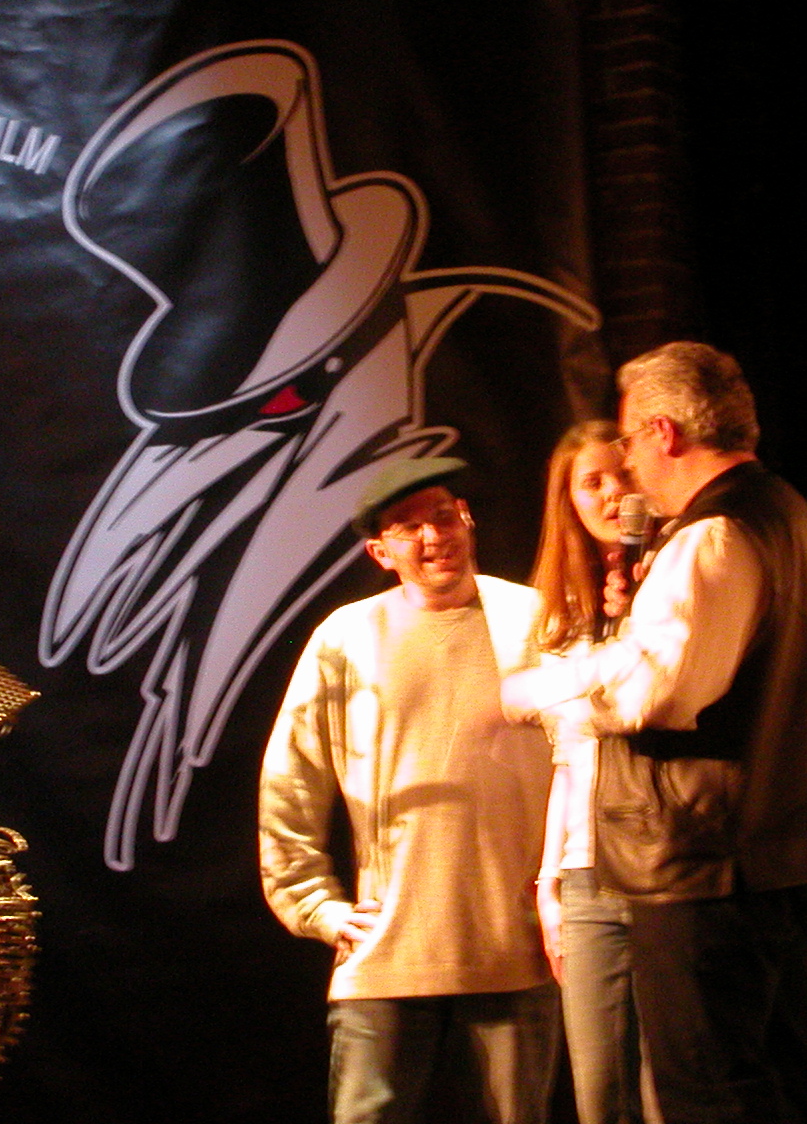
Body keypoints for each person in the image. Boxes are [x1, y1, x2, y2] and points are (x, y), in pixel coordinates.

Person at [503, 342, 807, 1124]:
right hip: (797, 853)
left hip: (713, 864)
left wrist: (542, 691)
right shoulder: (801, 523)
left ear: (664, 432)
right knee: (791, 1083)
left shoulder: (711, 536)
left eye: (628, 441)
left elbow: (656, 695)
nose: (627, 464)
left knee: (706, 1090)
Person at [259, 456, 560, 1124]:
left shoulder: (530, 619)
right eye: (408, 526)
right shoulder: (347, 638)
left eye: (443, 516)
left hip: (515, 948)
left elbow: (585, 756)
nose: (433, 536)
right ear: (380, 551)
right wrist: (314, 904)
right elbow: (290, 780)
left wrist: (565, 889)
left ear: (467, 519)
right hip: (388, 952)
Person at [527, 421, 663, 1124]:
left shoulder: (669, 580)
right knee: (599, 1095)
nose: (612, 494)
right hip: (584, 877)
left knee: (668, 1090)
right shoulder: (560, 622)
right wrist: (548, 884)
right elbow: (566, 760)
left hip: (663, 865)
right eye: (593, 482)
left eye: (622, 475)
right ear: (569, 501)